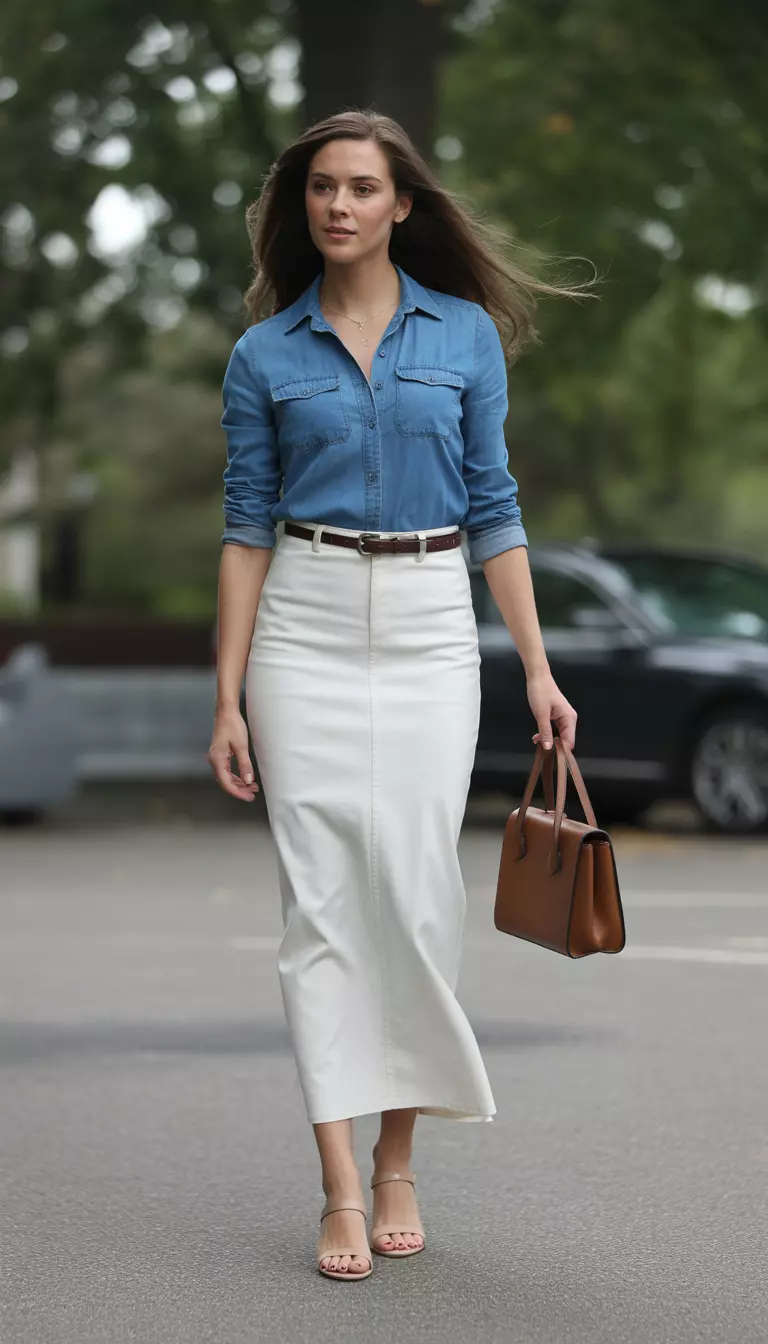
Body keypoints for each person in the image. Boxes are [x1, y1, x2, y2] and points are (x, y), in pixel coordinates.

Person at [208, 110, 583, 1282]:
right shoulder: (265, 354)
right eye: (322, 187)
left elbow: (496, 505)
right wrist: (227, 697)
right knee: (320, 906)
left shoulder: (464, 336)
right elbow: (243, 528)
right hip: (304, 626)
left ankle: (398, 1158)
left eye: (363, 187)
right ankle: (335, 1182)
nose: (339, 206)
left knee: (415, 902)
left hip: (428, 625)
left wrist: (536, 663)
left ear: (402, 204)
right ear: (303, 206)